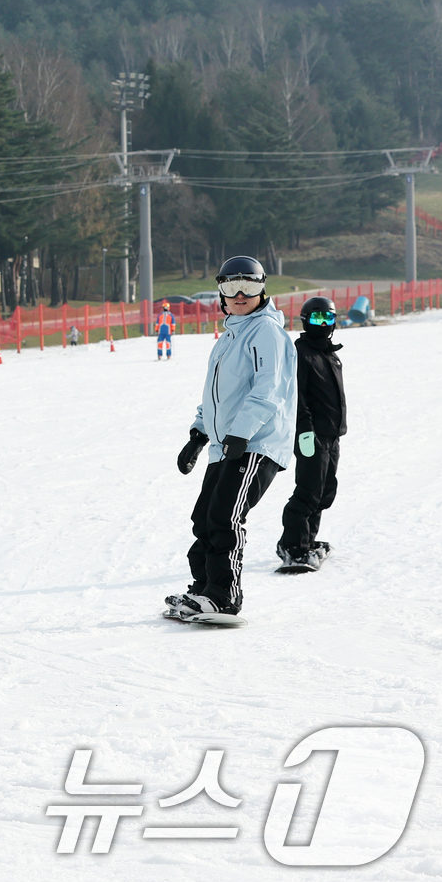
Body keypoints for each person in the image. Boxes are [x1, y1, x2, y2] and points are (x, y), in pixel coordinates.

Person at [167, 256, 295, 619]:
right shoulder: (230, 335)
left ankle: (225, 596)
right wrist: (198, 433)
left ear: (262, 289)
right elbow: (216, 395)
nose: (240, 295)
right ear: (221, 294)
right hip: (227, 445)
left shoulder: (266, 332)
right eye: (231, 288)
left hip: (256, 443)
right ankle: (204, 590)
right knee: (204, 518)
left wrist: (240, 434)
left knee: (226, 517)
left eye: (249, 287)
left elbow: (268, 390)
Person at [277, 296, 346, 570]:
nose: (323, 323)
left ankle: (307, 541)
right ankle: (293, 546)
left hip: (331, 434)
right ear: (305, 321)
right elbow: (297, 396)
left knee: (325, 490)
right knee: (308, 490)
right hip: (311, 435)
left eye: (328, 318)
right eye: (317, 318)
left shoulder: (329, 354)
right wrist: (305, 430)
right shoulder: (300, 353)